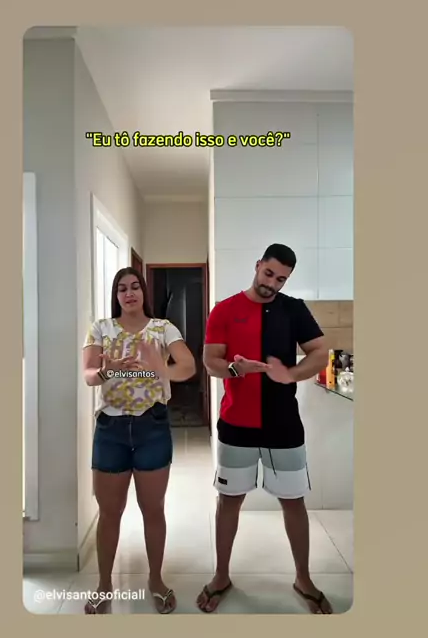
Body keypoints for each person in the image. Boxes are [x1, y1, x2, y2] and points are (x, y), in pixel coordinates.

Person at [197, 244, 333, 615]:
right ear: (258, 265)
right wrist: (236, 369)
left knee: (293, 502)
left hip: (284, 425)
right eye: (268, 273)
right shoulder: (225, 309)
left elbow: (320, 352)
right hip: (236, 425)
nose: (272, 283)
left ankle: (303, 578)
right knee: (229, 501)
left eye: (281, 279)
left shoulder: (293, 309)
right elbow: (210, 361)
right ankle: (221, 576)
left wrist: (291, 374)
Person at [82, 266, 196, 614]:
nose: (129, 293)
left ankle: (156, 580)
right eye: (122, 288)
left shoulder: (163, 328)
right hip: (111, 430)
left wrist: (159, 367)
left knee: (153, 509)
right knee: (109, 513)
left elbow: (188, 366)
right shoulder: (101, 328)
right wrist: (109, 370)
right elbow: (89, 375)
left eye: (135, 287)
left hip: (152, 427)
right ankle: (104, 585)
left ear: (144, 292)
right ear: (116, 295)